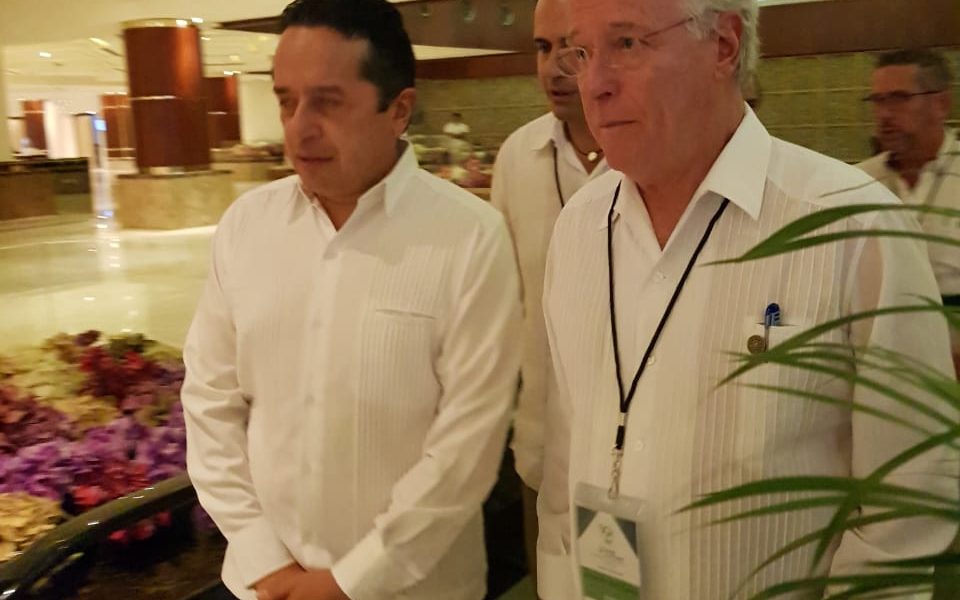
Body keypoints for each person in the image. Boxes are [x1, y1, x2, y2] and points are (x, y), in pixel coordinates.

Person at [537, 0, 958, 598]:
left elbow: (906, 498)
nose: (595, 84)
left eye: (627, 44)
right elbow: (565, 456)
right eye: (582, 52)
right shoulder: (577, 227)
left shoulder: (853, 225)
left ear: (725, 44)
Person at [180, 1, 521, 599]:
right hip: (263, 586)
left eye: (327, 102)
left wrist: (349, 581)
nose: (299, 127)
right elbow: (210, 401)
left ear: (399, 110)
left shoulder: (469, 236)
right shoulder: (246, 227)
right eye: (287, 101)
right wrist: (265, 561)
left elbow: (467, 445)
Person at [490, 0, 610, 586]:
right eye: (542, 49)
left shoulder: (648, 154)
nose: (554, 67)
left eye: (571, 46)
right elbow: (503, 302)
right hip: (542, 446)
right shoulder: (519, 156)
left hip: (633, 451)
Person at [857, 48, 959, 374]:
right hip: (877, 372)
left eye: (899, 99)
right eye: (877, 101)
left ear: (941, 103)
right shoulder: (857, 183)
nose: (884, 114)